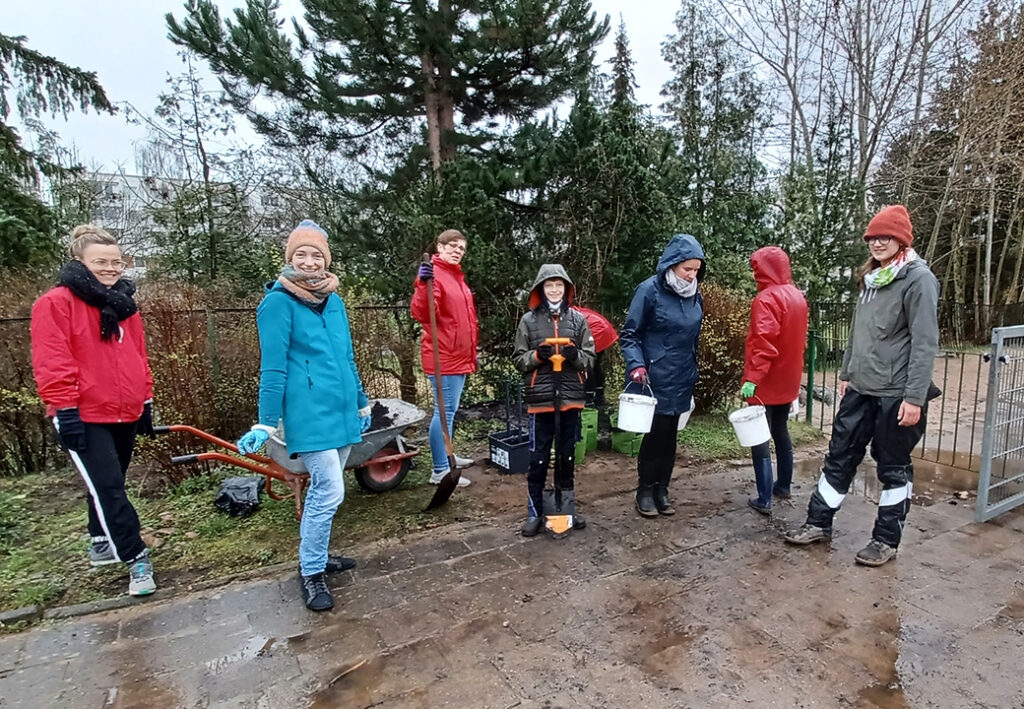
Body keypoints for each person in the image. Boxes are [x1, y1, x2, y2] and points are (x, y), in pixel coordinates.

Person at [785, 205, 939, 567]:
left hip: (897, 394)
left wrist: (914, 398)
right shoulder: (873, 279)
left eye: (885, 237)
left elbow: (924, 343)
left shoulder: (918, 280)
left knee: (893, 467)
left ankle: (886, 540)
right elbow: (858, 332)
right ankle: (818, 522)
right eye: (872, 237)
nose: (877, 243)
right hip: (861, 388)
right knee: (839, 456)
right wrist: (845, 373)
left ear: (901, 240)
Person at [236, 220, 371, 611]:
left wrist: (361, 400)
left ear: (326, 259)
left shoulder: (334, 300)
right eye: (301, 255)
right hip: (307, 412)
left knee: (324, 493)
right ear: (289, 258)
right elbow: (273, 367)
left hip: (343, 408)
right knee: (329, 490)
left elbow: (346, 355)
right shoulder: (278, 303)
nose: (309, 262)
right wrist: (265, 420)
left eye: (316, 255)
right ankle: (311, 572)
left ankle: (319, 553)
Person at [31, 225, 157, 597]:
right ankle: (136, 558)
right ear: (79, 262)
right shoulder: (55, 304)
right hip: (83, 412)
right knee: (110, 487)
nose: (110, 268)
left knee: (108, 480)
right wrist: (64, 408)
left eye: (116, 262)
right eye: (100, 262)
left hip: (125, 408)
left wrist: (145, 399)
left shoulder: (124, 306)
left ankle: (101, 542)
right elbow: (53, 360)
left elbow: (137, 354)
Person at [621, 234, 705, 518]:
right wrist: (637, 364)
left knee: (671, 436)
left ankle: (663, 489)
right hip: (653, 376)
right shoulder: (649, 290)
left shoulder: (696, 294)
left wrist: (693, 368)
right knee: (655, 435)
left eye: (696, 269)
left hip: (682, 375)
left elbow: (694, 336)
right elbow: (629, 335)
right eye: (687, 269)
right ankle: (645, 490)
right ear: (673, 264)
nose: (692, 275)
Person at [513, 265, 596, 536]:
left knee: (566, 456)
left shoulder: (578, 320)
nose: (554, 290)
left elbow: (590, 358)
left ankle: (566, 509)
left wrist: (575, 357)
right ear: (541, 288)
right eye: (549, 285)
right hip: (542, 399)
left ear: (567, 288)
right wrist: (538, 355)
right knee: (538, 459)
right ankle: (535, 512)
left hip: (570, 397)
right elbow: (519, 360)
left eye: (559, 285)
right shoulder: (528, 321)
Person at [739, 246, 809, 514]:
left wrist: (752, 380)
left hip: (766, 380)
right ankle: (783, 485)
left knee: (759, 436)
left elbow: (764, 345)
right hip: (788, 378)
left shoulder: (766, 300)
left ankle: (763, 498)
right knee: (780, 430)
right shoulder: (797, 297)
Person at [411, 229, 479, 487]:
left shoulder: (456, 277)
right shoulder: (434, 275)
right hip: (444, 356)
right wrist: (421, 284)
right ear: (439, 247)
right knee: (444, 412)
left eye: (461, 248)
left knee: (449, 411)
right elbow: (423, 313)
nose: (457, 250)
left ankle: (448, 455)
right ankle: (439, 469)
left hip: (459, 356)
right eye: (452, 245)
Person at [574, 305, 618, 407]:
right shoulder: (575, 312)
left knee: (588, 365)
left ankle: (589, 398)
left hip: (598, 331)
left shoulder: (570, 316)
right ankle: (599, 395)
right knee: (596, 365)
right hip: (604, 330)